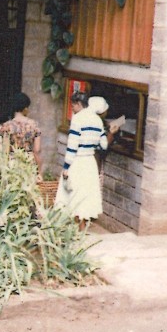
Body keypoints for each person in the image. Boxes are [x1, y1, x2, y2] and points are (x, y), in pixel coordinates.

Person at [55, 91, 118, 230]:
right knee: (84, 196)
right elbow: (103, 145)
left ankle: (72, 230)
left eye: (73, 105)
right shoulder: (97, 121)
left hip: (77, 161)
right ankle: (82, 229)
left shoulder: (77, 119)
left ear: (79, 104)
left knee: (71, 194)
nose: (72, 108)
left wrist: (66, 167)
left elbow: (72, 146)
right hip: (90, 162)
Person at [1, 92, 43, 177]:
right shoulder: (34, 125)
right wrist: (40, 172)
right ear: (25, 108)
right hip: (28, 162)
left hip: (12, 162)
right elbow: (37, 150)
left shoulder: (7, 126)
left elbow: (5, 150)